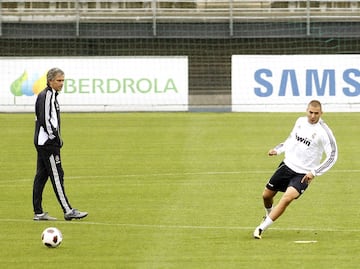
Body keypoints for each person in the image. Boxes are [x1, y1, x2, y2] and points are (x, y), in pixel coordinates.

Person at [253, 100, 337, 239]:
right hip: (287, 165)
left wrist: (314, 172)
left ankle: (261, 228)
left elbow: (332, 155)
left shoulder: (324, 132)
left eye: (316, 113)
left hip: (304, 174)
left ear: (321, 113)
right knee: (266, 196)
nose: (313, 116)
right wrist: (278, 149)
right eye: (310, 112)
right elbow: (291, 139)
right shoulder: (300, 121)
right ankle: (268, 215)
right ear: (306, 111)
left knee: (286, 198)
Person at [33, 67, 88, 221]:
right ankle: (68, 210)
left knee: (41, 176)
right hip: (48, 143)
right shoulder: (46, 96)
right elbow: (44, 119)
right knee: (57, 175)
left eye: (63, 80)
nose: (61, 83)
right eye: (59, 80)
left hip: (45, 142)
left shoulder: (52, 95)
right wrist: (55, 138)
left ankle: (38, 212)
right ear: (50, 81)